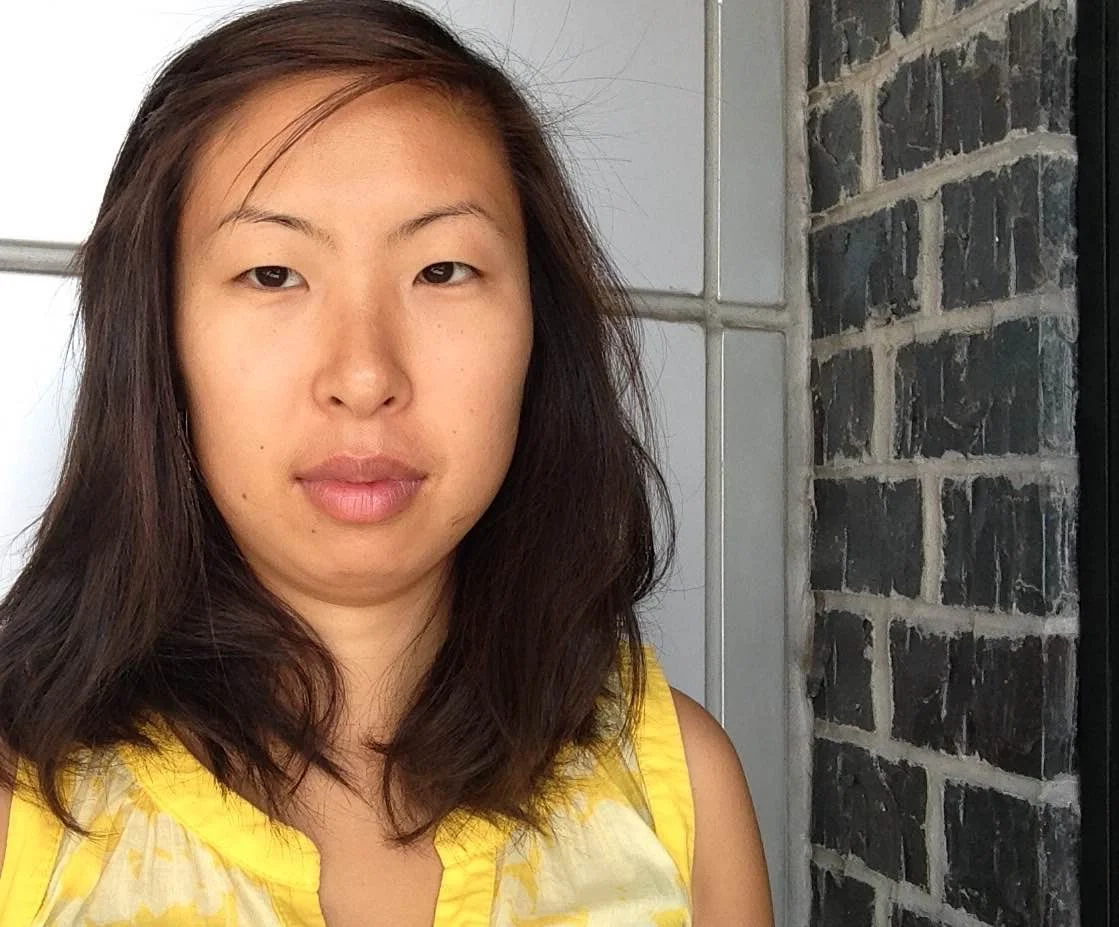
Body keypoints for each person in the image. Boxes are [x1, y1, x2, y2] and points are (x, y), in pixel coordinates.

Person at [0, 1, 773, 924]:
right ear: (159, 340)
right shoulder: (22, 800)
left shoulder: (679, 788)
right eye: (273, 273)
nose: (364, 375)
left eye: (442, 270)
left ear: (540, 331)